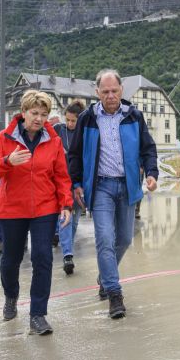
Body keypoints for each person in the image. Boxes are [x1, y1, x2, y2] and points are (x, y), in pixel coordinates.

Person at [68, 69, 158, 319]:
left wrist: (151, 173)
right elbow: (74, 154)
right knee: (105, 238)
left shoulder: (133, 117)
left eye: (114, 91)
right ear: (97, 93)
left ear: (121, 91)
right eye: (105, 91)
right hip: (101, 188)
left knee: (126, 239)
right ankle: (114, 294)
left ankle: (104, 276)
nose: (110, 95)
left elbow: (148, 148)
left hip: (127, 186)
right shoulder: (87, 119)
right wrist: (76, 182)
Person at [0, 90, 73, 335]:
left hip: (44, 208)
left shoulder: (53, 141)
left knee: (43, 257)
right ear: (23, 113)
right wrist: (7, 162)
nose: (39, 119)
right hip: (12, 209)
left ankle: (38, 315)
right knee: (11, 259)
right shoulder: (4, 138)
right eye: (34, 113)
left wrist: (65, 204)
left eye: (44, 114)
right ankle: (11, 297)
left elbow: (61, 176)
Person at [52, 100, 85, 275]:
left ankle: (67, 247)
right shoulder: (58, 130)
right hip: (61, 182)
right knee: (66, 216)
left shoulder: (86, 133)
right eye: (68, 120)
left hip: (79, 182)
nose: (70, 124)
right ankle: (68, 255)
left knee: (75, 219)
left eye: (74, 121)